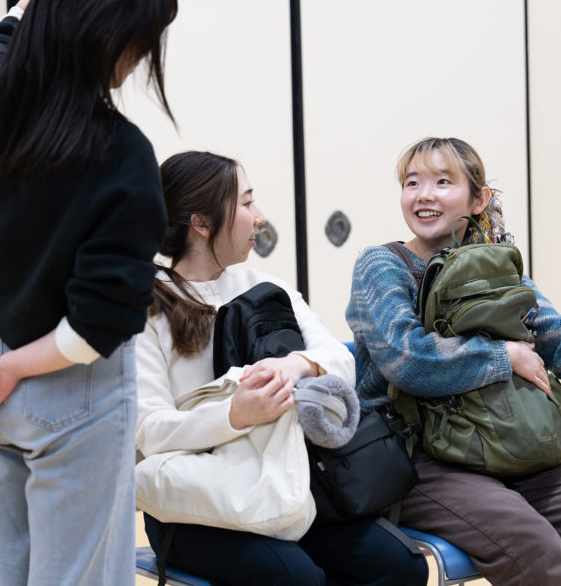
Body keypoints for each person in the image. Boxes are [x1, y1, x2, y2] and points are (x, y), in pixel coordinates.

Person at [0, 0, 176, 583]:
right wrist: (15, 371)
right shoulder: (122, 158)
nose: (141, 57)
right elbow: (99, 323)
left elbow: (12, 23)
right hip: (67, 379)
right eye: (140, 39)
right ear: (107, 40)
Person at [346, 137, 561, 586]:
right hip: (417, 457)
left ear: (478, 199)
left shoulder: (496, 266)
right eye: (412, 183)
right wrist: (503, 356)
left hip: (502, 440)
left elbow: (550, 330)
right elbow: (407, 358)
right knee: (535, 549)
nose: (424, 195)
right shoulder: (381, 266)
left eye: (443, 182)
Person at [136, 150, 429, 586]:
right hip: (194, 502)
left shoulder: (265, 287)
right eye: (247, 202)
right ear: (201, 223)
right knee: (296, 579)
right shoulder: (147, 309)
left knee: (400, 566)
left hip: (280, 484)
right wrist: (235, 415)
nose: (259, 216)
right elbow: (150, 431)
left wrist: (295, 365)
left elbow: (340, 362)